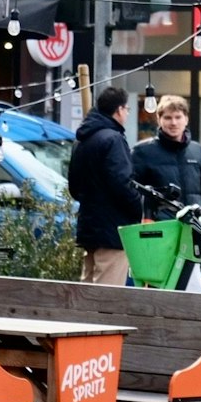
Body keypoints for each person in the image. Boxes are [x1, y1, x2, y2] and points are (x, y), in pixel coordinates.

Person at [68, 86, 143, 286]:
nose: (127, 113)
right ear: (119, 110)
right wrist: (138, 207)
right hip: (113, 228)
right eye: (127, 109)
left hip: (89, 224)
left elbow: (74, 186)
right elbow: (122, 183)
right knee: (107, 294)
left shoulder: (82, 140)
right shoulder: (113, 139)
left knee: (87, 287)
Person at [129, 95, 201, 212]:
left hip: (194, 225)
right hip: (158, 226)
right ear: (159, 120)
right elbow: (131, 191)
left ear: (186, 119)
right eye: (168, 118)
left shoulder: (197, 151)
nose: (173, 122)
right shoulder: (142, 151)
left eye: (178, 117)